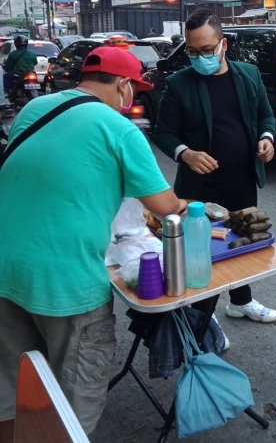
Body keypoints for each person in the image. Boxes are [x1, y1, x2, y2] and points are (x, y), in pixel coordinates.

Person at [0, 47, 188, 443]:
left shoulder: (34, 111)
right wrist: (182, 204)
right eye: (133, 90)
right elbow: (163, 206)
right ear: (123, 86)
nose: (132, 98)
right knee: (73, 401)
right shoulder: (119, 128)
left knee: (14, 387)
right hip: (68, 286)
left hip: (6, 271)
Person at [153, 8, 276, 326]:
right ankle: (202, 317)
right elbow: (163, 132)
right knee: (202, 252)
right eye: (193, 52)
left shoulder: (248, 75)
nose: (200, 58)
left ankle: (241, 301)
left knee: (241, 243)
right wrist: (186, 154)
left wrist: (267, 138)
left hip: (242, 180)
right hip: (200, 189)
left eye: (207, 50)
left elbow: (266, 116)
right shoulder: (179, 84)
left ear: (223, 44)